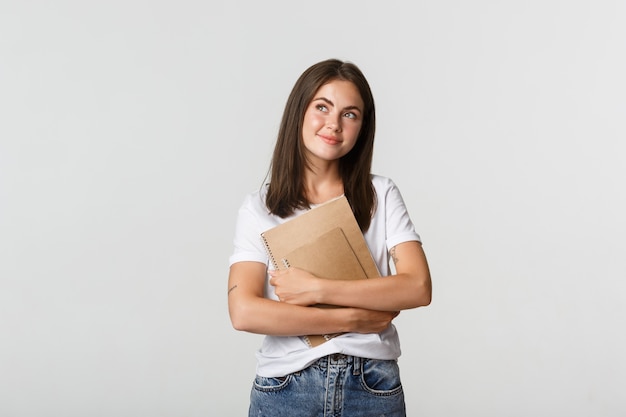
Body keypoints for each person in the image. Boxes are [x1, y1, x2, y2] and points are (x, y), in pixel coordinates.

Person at [227, 58, 432, 417]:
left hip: (372, 386)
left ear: (362, 127)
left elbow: (417, 287)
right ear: (299, 112)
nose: (334, 124)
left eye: (350, 114)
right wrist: (352, 319)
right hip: (286, 387)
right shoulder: (259, 208)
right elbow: (243, 311)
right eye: (322, 107)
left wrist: (318, 290)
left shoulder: (380, 195)